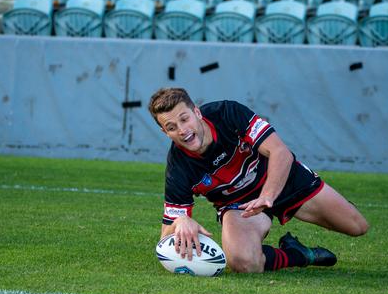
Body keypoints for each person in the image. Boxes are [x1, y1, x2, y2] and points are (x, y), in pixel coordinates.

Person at [148, 87, 369, 273]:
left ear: (197, 112)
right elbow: (164, 241)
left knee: (357, 226)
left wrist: (268, 196)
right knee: (243, 262)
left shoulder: (228, 113)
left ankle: (332, 203)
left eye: (184, 119)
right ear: (164, 132)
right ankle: (298, 254)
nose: (182, 131)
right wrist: (180, 222)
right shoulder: (178, 167)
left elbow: (280, 153)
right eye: (171, 127)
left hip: (280, 178)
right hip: (240, 206)